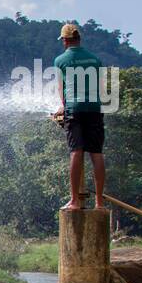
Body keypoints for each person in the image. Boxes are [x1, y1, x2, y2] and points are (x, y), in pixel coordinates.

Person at [52, 22, 105, 210]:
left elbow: (62, 89)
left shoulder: (60, 61)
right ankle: (99, 202)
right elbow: (99, 86)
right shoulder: (95, 60)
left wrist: (62, 108)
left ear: (65, 41)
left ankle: (74, 200)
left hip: (74, 108)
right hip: (94, 108)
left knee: (76, 151)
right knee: (96, 153)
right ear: (79, 39)